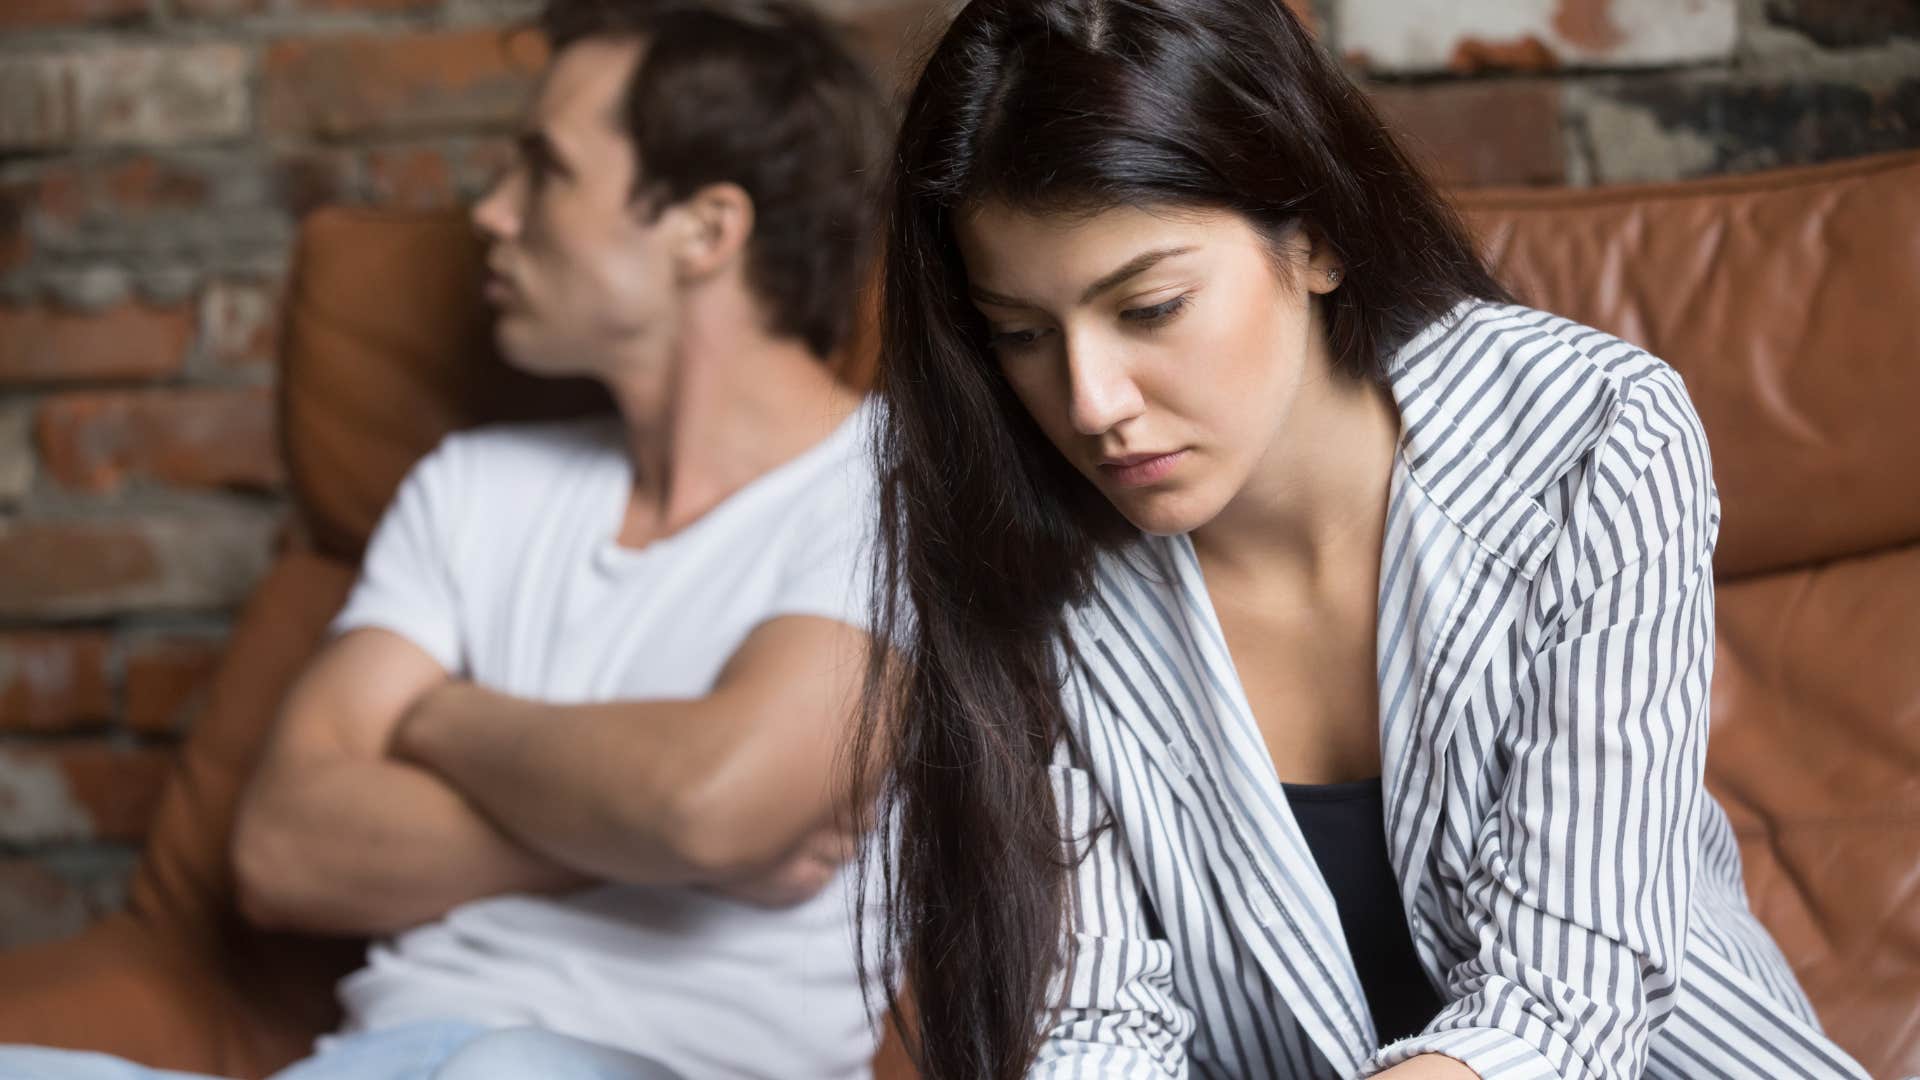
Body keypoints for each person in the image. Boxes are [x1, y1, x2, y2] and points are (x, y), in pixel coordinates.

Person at [848, 1, 1873, 1078]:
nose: (1092, 400)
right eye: (1021, 333)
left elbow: (1570, 998)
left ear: (1320, 236)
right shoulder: (1022, 538)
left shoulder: (1592, 435)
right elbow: (1095, 1026)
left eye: (1149, 308)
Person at [0, 2, 888, 1078]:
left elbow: (707, 804)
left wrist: (436, 717)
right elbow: (282, 848)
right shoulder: (473, 484)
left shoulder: (892, 488)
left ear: (706, 229)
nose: (493, 214)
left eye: (544, 172)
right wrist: (647, 839)